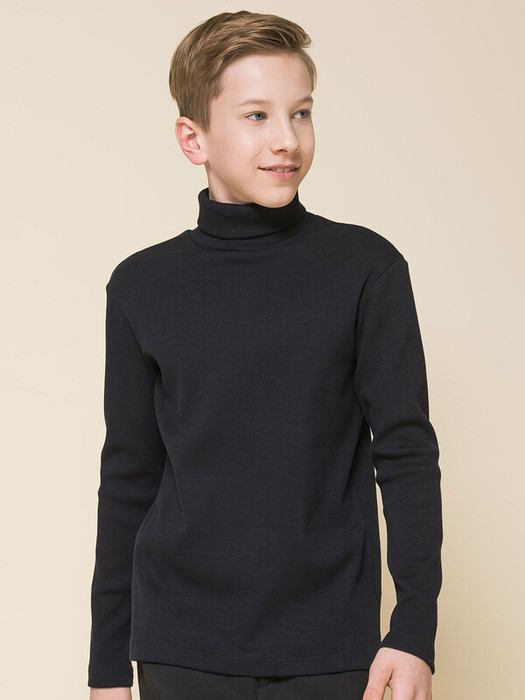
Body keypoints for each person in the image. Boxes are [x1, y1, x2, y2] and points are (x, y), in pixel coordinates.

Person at [87, 10, 443, 700]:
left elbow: (405, 453)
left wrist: (412, 631)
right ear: (193, 138)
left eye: (301, 112)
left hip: (332, 646)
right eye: (257, 115)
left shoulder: (365, 268)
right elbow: (128, 475)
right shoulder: (141, 286)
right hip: (180, 647)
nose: (287, 139)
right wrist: (106, 669)